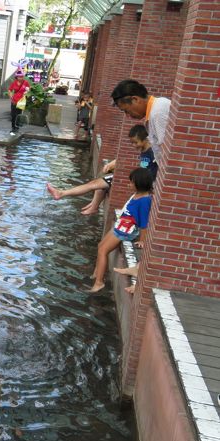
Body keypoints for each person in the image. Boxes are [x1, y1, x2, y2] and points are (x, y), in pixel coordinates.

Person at [110, 80, 171, 289]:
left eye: (127, 110)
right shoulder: (156, 110)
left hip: (167, 179)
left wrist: (163, 182)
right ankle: (141, 269)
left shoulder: (158, 114)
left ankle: (145, 276)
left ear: (135, 99)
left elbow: (167, 151)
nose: (129, 117)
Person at [46, 124, 156, 214]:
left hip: (142, 184)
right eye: (132, 143)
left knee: (94, 184)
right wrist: (111, 164)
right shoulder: (144, 150)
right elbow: (125, 158)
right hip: (138, 181)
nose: (134, 145)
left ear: (145, 139)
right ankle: (93, 205)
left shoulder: (152, 153)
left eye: (136, 142)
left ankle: (61, 193)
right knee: (98, 183)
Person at [88, 168, 153, 293]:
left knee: (103, 251)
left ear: (139, 183)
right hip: (121, 225)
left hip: (126, 230)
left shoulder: (145, 200)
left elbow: (144, 223)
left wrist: (142, 240)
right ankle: (97, 273)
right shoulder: (137, 195)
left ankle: (99, 282)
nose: (129, 184)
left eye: (131, 182)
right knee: (100, 246)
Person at [7, 69, 30, 135]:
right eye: (19, 76)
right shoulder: (14, 83)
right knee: (13, 114)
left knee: (19, 114)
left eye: (22, 76)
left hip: (21, 101)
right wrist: (11, 97)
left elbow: (28, 89)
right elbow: (9, 90)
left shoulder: (25, 82)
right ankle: (13, 127)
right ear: (16, 77)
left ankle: (17, 127)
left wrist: (27, 91)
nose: (21, 78)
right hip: (14, 100)